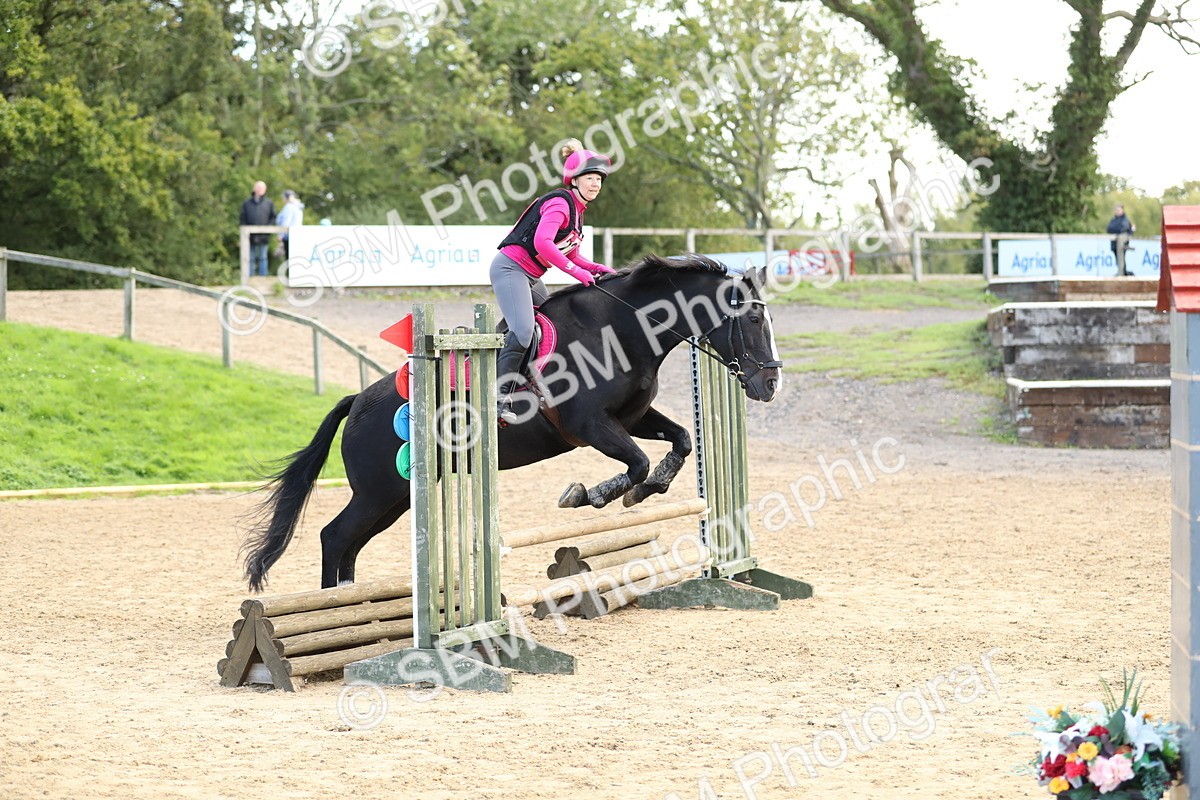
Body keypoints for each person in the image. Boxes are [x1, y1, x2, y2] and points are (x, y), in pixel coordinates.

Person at [491, 139, 615, 421]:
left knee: (551, 323)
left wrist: (596, 268)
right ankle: (499, 397)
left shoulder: (577, 212)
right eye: (590, 178)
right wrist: (577, 273)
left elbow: (574, 254)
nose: (595, 184)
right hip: (510, 269)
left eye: (598, 179)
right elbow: (543, 243)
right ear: (576, 180)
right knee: (523, 331)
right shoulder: (561, 203)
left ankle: (529, 378)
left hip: (531, 277)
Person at [239, 181, 276, 277]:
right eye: (258, 188)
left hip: (264, 236)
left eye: (262, 188)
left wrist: (268, 229)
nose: (260, 190)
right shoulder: (246, 203)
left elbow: (273, 217)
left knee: (263, 257)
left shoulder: (269, 203)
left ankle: (263, 277)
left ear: (265, 190)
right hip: (249, 236)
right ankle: (249, 277)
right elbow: (242, 218)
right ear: (254, 188)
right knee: (249, 258)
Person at [1106, 203, 1136, 276]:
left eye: (1119, 210)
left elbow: (1123, 229)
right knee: (1118, 260)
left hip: (1122, 244)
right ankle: (1123, 273)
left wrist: (1116, 230)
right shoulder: (1113, 220)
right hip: (1114, 244)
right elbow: (1109, 229)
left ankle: (1122, 273)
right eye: (1116, 210)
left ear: (1122, 210)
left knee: (1121, 259)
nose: (1117, 211)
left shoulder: (1125, 220)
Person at [274, 190, 304, 261]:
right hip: (296, 235)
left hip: (289, 235)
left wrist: (281, 235)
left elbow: (286, 222)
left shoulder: (289, 207)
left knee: (289, 258)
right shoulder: (298, 206)